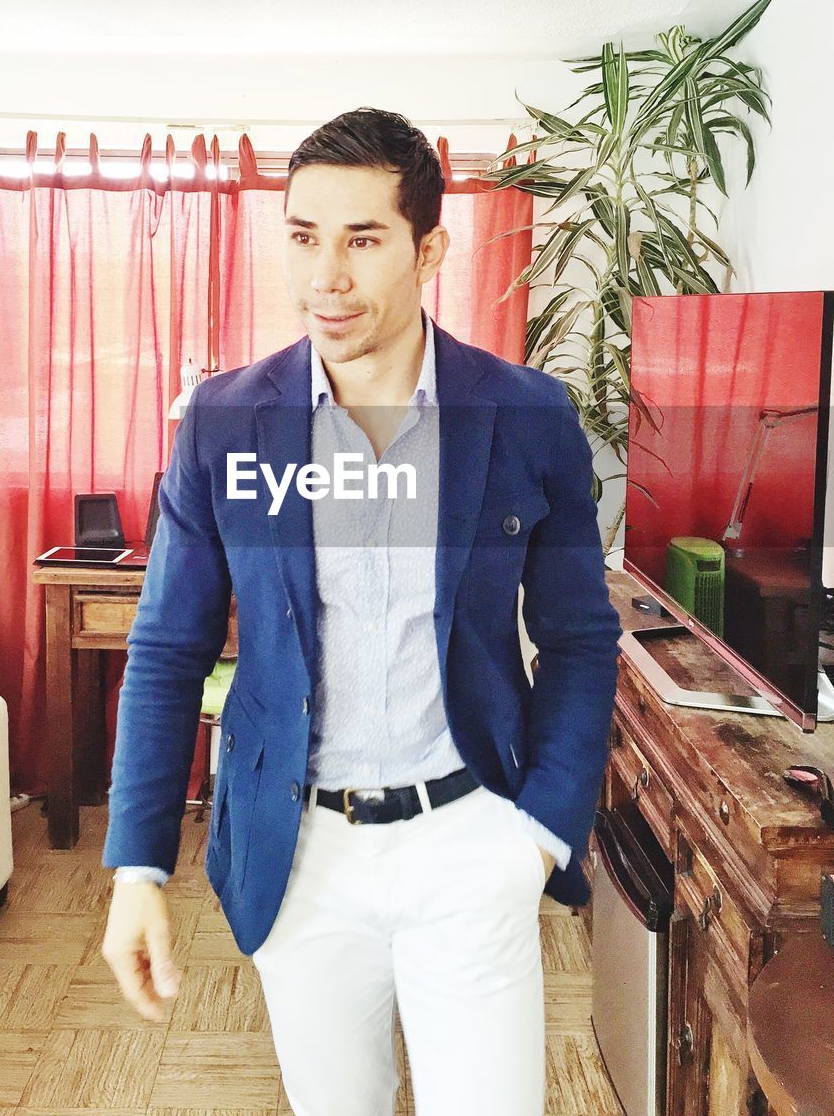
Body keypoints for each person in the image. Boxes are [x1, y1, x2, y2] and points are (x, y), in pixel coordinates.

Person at [101, 107, 623, 1114]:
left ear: (428, 247)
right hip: (298, 855)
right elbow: (167, 649)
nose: (323, 276)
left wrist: (536, 839)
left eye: (362, 238)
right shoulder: (221, 424)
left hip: (469, 839)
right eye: (302, 236)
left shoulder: (526, 416)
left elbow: (579, 638)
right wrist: (136, 865)